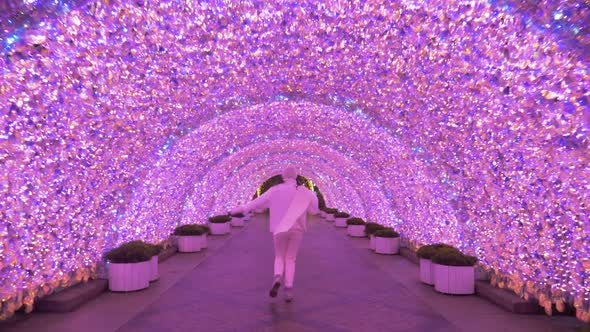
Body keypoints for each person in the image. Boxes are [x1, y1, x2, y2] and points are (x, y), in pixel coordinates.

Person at [239, 166, 319, 302]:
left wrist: (238, 210)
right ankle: (288, 288)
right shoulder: (304, 192)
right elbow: (314, 211)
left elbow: (256, 204)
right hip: (297, 229)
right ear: (295, 177)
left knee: (279, 256)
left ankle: (277, 277)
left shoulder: (275, 190)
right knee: (290, 258)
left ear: (283, 177)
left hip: (279, 229)